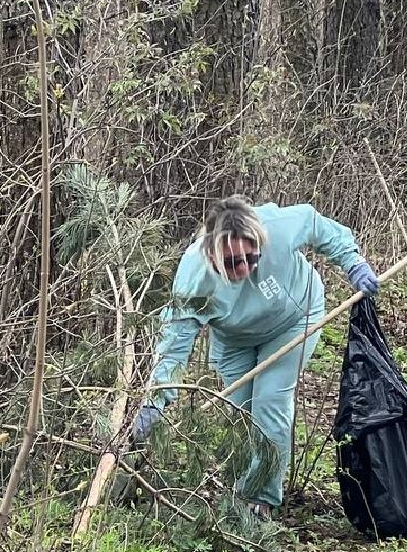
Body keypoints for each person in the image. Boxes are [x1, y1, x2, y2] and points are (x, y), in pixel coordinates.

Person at [133, 196, 380, 518]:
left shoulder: (278, 227)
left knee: (270, 403)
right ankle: (241, 491)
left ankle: (260, 502)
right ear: (212, 253)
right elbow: (175, 343)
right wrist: (155, 400)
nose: (244, 269)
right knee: (243, 414)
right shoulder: (194, 276)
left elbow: (317, 225)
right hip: (234, 340)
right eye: (232, 262)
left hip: (294, 321)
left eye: (252, 258)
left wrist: (354, 263)